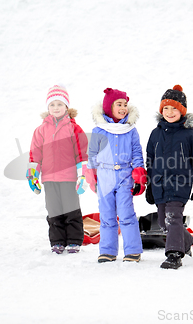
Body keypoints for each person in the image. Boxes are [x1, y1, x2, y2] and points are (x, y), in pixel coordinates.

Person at [145, 85, 193, 269]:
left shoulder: (190, 136)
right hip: (159, 184)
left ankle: (174, 255)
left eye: (174, 108)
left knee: (173, 218)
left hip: (180, 184)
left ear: (182, 111)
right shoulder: (155, 134)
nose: (170, 112)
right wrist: (149, 183)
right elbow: (150, 159)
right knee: (164, 222)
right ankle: (185, 241)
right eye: (166, 108)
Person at [85, 88, 147, 263]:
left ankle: (133, 250)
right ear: (108, 107)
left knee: (127, 213)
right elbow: (92, 155)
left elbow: (136, 153)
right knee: (106, 215)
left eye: (125, 105)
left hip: (124, 177)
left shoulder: (130, 130)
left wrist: (139, 174)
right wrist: (91, 176)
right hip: (105, 177)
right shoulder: (99, 130)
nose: (123, 108)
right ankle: (108, 250)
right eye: (119, 104)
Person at [27, 85, 88, 254]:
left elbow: (82, 154)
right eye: (52, 104)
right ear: (48, 107)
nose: (56, 108)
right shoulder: (40, 130)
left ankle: (74, 241)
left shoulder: (74, 128)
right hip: (49, 178)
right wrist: (33, 176)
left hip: (68, 177)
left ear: (67, 107)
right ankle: (57, 241)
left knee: (71, 208)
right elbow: (35, 155)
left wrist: (83, 175)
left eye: (60, 104)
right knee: (53, 210)